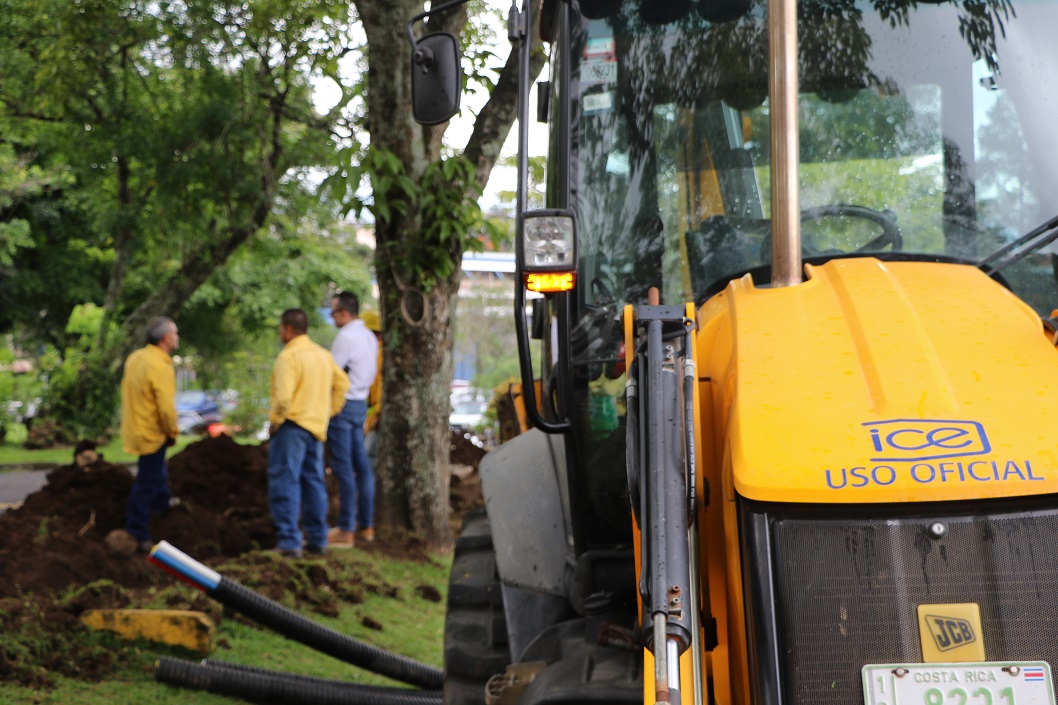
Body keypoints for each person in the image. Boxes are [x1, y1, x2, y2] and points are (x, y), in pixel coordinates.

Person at [268, 308, 349, 558]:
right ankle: (317, 539)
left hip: (291, 427)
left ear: (289, 329)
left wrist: (275, 421)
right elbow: (343, 384)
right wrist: (329, 412)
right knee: (314, 482)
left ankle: (290, 542)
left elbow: (282, 398)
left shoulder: (288, 357)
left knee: (286, 480)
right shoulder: (323, 355)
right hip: (316, 428)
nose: (280, 333)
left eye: (281, 328)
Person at [121, 316, 181, 553]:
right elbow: (165, 407)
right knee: (146, 482)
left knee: (157, 470)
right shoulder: (160, 365)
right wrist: (172, 431)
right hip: (152, 432)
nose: (177, 338)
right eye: (175, 333)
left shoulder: (136, 358)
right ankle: (137, 531)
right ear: (165, 338)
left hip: (135, 428)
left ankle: (163, 502)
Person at [326, 291, 379, 548]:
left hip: (343, 405)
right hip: (360, 404)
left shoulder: (346, 337)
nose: (332, 316)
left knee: (344, 468)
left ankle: (346, 529)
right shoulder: (369, 336)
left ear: (344, 313)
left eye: (333, 312)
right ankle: (366, 525)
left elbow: (330, 374)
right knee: (362, 467)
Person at [360, 310, 384, 467]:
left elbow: (382, 387)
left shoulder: (380, 354)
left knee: (369, 456)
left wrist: (377, 414)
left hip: (379, 416)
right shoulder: (374, 353)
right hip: (374, 415)